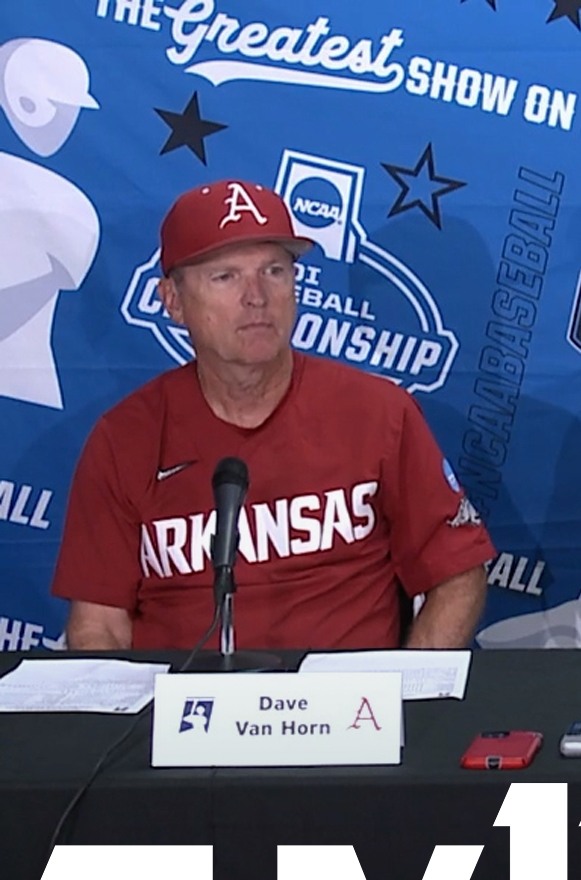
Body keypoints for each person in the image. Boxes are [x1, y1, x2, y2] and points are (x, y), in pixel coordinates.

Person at [52, 180, 494, 650]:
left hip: (346, 712)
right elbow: (99, 624)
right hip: (182, 710)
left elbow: (458, 573)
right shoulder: (125, 437)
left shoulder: (378, 412)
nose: (256, 296)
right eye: (225, 276)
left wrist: (407, 699)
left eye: (274, 271)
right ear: (173, 301)